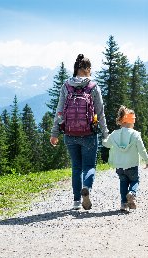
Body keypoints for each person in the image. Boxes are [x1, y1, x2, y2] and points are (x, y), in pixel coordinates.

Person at [50, 54, 109, 210]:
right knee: (89, 166)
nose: (91, 72)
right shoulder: (93, 87)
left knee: (76, 167)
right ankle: (87, 189)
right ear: (85, 69)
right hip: (89, 133)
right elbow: (100, 113)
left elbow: (60, 111)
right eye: (90, 69)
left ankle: (76, 201)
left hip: (70, 134)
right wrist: (105, 134)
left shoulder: (66, 86)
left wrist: (54, 133)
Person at [102, 106, 148, 211]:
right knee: (135, 181)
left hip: (119, 166)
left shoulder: (114, 134)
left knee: (123, 183)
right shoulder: (135, 134)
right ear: (131, 122)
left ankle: (123, 204)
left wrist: (104, 138)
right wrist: (146, 159)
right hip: (132, 165)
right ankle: (132, 193)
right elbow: (141, 149)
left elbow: (107, 144)